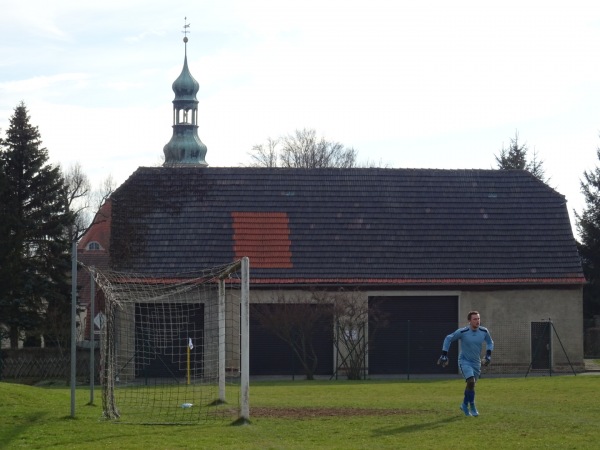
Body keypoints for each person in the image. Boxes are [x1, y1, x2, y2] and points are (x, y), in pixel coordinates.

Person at [437, 311, 494, 417]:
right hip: (464, 361)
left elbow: (490, 342)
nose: (477, 321)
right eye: (475, 319)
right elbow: (448, 338)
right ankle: (472, 406)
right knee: (471, 381)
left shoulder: (484, 331)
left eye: (478, 319)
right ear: (469, 321)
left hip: (476, 362)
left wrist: (488, 355)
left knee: (471, 385)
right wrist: (444, 354)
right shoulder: (463, 332)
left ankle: (464, 404)